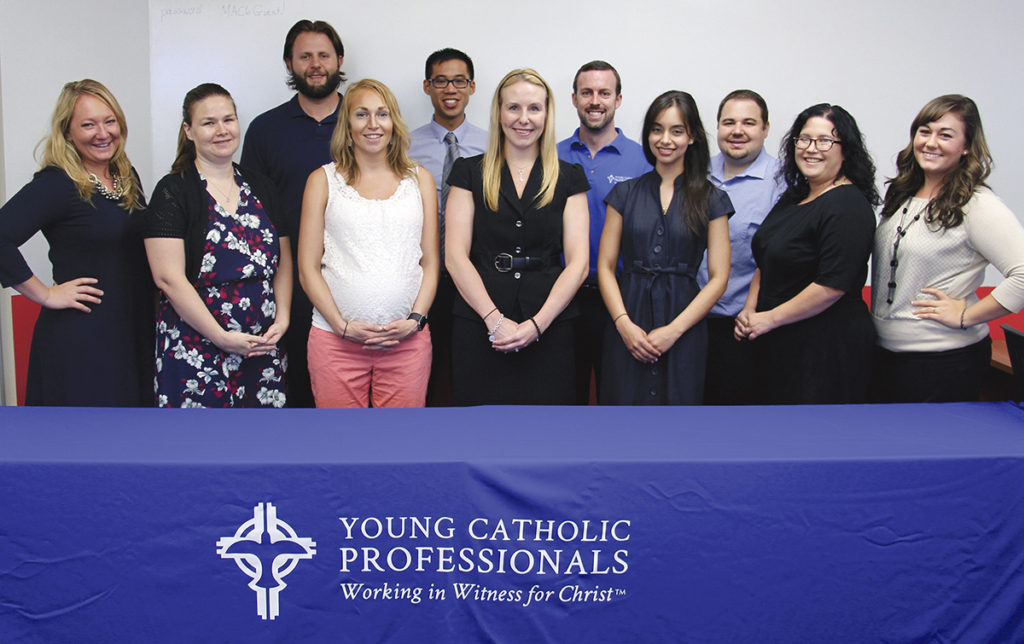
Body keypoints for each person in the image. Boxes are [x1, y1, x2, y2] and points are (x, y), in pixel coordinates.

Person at [0, 79, 152, 406]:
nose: (103, 133)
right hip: (83, 340)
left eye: (109, 121)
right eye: (88, 124)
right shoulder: (57, 183)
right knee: (88, 444)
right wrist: (45, 295)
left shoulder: (127, 176)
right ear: (67, 132)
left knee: (133, 443)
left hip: (131, 332)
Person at [445, 68, 589, 405]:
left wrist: (537, 324)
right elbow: (454, 256)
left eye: (534, 108)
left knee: (548, 434)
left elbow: (579, 263)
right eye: (514, 108)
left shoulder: (570, 177)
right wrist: (494, 320)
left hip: (550, 325)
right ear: (498, 112)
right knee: (479, 431)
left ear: (547, 114)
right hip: (479, 324)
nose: (524, 119)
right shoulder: (468, 171)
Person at [144, 84, 291, 408]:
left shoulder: (261, 186)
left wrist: (283, 318)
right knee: (200, 449)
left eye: (229, 119)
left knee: (262, 446)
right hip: (196, 348)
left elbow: (282, 260)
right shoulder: (174, 191)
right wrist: (221, 337)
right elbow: (168, 278)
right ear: (189, 130)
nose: (222, 130)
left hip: (260, 349)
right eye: (209, 122)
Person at [871, 95, 1024, 402]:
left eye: (946, 135)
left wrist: (967, 315)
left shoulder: (977, 204)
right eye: (924, 131)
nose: (931, 142)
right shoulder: (902, 193)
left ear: (967, 146)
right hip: (884, 356)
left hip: (942, 362)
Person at [298, 79, 438, 408]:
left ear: (394, 122)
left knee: (401, 445)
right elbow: (307, 267)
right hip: (335, 343)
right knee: (341, 446)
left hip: (407, 343)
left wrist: (415, 320)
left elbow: (430, 262)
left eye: (382, 114)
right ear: (347, 123)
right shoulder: (322, 180)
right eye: (362, 115)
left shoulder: (420, 179)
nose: (373, 125)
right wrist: (341, 325)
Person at [735, 104, 878, 404]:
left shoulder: (848, 206)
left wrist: (769, 319)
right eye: (804, 139)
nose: (812, 149)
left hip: (824, 349)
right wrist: (750, 310)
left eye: (825, 140)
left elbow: (832, 286)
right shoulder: (795, 196)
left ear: (845, 150)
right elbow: (767, 257)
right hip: (777, 341)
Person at [597, 90, 732, 405]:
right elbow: (605, 266)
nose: (665, 139)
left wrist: (674, 330)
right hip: (627, 313)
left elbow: (719, 277)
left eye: (677, 130)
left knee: (679, 417)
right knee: (621, 411)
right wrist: (623, 324)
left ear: (692, 136)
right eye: (657, 129)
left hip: (685, 319)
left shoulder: (712, 198)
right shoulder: (624, 193)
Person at [240, 19, 345, 407]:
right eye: (305, 56)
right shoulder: (265, 130)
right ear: (289, 63)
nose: (315, 64)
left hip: (357, 274)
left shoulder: (364, 123)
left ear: (339, 60)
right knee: (296, 380)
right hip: (288, 279)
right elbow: (252, 212)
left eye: (323, 55)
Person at [557, 61, 651, 404]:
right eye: (587, 93)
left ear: (619, 99)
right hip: (563, 297)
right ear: (574, 98)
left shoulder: (644, 161)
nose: (595, 101)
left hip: (623, 299)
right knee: (567, 398)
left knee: (620, 397)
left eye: (604, 93)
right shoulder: (551, 157)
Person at [409, 48, 488, 406]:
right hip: (421, 276)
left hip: (476, 274)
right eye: (441, 81)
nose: (450, 89)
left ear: (472, 87)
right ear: (428, 86)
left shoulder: (494, 145)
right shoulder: (404, 146)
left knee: (473, 370)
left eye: (459, 81)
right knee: (421, 368)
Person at [698, 89, 785, 404]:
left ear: (765, 129)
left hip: (743, 327)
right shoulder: (695, 173)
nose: (737, 131)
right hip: (688, 324)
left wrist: (750, 312)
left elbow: (776, 259)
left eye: (748, 123)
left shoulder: (783, 183)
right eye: (728, 122)